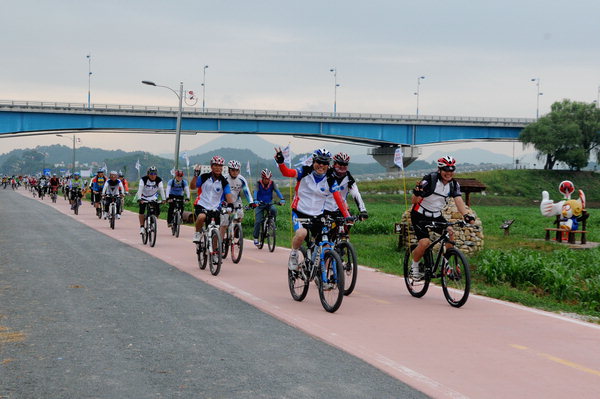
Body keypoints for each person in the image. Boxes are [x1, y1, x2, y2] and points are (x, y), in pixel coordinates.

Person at [275, 147, 350, 270]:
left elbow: (339, 200)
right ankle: (294, 254)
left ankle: (321, 273)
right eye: (319, 162)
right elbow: (287, 173)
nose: (321, 165)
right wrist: (281, 162)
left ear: (328, 164)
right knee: (301, 233)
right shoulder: (304, 172)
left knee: (326, 244)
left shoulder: (331, 179)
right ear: (313, 161)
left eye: (325, 163)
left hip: (318, 216)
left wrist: (347, 216)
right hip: (300, 213)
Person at [409, 156, 476, 280]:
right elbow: (414, 201)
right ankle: (415, 267)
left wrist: (466, 215)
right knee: (425, 243)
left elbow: (458, 200)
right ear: (439, 169)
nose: (449, 173)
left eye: (451, 170)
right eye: (446, 170)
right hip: (419, 215)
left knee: (450, 232)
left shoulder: (453, 184)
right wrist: (417, 194)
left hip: (436, 215)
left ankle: (446, 263)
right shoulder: (430, 180)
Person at [190, 156, 234, 243]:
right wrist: (196, 175)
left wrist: (230, 205)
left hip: (216, 207)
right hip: (202, 204)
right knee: (201, 217)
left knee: (216, 232)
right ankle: (197, 233)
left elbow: (228, 195)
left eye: (220, 166)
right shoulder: (204, 177)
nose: (218, 168)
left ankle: (214, 254)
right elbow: (192, 187)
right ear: (211, 166)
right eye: (216, 165)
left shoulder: (224, 182)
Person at [323, 152, 368, 221]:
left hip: (339, 209)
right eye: (340, 164)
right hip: (324, 208)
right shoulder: (326, 173)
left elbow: (356, 194)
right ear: (334, 164)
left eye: (345, 164)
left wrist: (363, 210)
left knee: (348, 224)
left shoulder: (349, 178)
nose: (343, 166)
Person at [220, 160, 253, 240]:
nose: (235, 172)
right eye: (233, 170)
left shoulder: (241, 179)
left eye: (237, 170)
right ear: (229, 170)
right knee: (224, 223)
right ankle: (220, 242)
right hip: (225, 202)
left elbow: (246, 191)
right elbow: (219, 192)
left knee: (240, 216)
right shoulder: (224, 178)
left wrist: (251, 202)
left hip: (237, 201)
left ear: (239, 170)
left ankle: (235, 229)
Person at [252, 168, 285, 246]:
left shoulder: (272, 183)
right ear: (262, 178)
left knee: (274, 209)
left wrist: (282, 199)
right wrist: (255, 200)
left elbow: (278, 191)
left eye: (268, 178)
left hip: (269, 203)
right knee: (258, 221)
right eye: (265, 179)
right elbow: (255, 192)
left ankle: (272, 223)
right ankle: (256, 237)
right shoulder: (258, 183)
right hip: (259, 204)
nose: (267, 180)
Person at [134, 166, 166, 234]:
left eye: (154, 174)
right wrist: (139, 199)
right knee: (141, 210)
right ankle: (142, 227)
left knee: (157, 210)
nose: (153, 175)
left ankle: (153, 221)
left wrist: (164, 199)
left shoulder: (159, 180)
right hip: (143, 196)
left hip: (153, 196)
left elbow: (161, 190)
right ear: (148, 174)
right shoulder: (143, 179)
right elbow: (140, 189)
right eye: (151, 173)